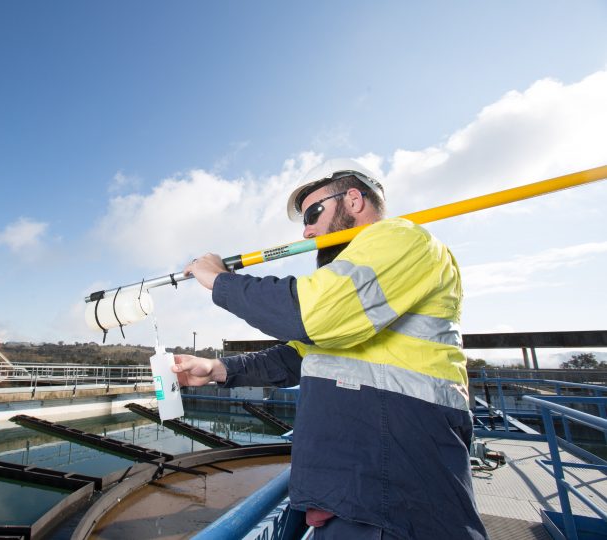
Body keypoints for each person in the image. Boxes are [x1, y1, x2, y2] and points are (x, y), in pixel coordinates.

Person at [173, 159, 488, 539]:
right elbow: (300, 352)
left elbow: (310, 314)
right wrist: (218, 368)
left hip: (398, 492)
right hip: (352, 496)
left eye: (313, 213)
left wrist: (221, 281)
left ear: (354, 200)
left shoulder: (403, 240)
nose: (306, 230)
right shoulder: (351, 294)